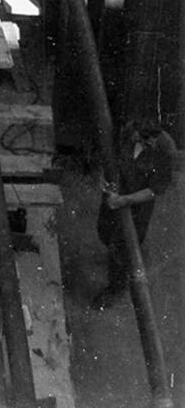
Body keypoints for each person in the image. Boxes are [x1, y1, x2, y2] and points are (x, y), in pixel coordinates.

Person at [93, 120, 177, 308]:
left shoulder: (165, 150)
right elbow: (108, 159)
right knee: (104, 232)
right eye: (139, 135)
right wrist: (103, 179)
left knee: (122, 246)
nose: (140, 139)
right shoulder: (125, 133)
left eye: (150, 138)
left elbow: (153, 190)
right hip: (114, 197)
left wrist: (123, 200)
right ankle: (117, 258)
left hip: (137, 207)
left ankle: (115, 287)